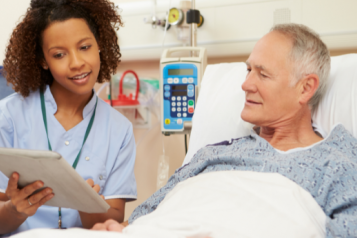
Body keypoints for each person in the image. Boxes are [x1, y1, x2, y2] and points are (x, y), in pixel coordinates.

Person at [92, 24, 357, 237]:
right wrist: (121, 229)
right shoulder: (211, 154)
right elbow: (145, 218)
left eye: (262, 75)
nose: (245, 84)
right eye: (248, 70)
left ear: (305, 88)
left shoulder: (339, 164)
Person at [0, 0, 137, 235]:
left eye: (85, 47)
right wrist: (17, 209)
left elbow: (114, 218)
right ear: (43, 60)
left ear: (99, 45)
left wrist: (87, 203)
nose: (77, 63)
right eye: (59, 54)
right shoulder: (8, 117)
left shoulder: (119, 130)